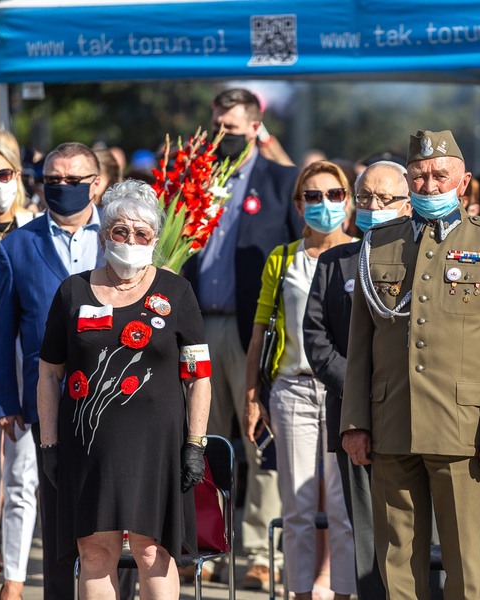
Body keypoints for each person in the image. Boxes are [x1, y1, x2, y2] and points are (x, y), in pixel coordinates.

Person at [341, 129, 480, 600]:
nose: (429, 185)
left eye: (440, 176)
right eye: (419, 176)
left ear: (463, 181)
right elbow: (360, 342)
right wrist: (356, 421)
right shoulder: (377, 242)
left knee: (464, 563)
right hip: (391, 421)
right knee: (397, 560)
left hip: (461, 425)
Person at [37, 179, 211, 598]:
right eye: (120, 231)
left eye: (141, 233)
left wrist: (195, 444)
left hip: (158, 447)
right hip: (88, 445)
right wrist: (49, 445)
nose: (130, 240)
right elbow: (48, 374)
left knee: (153, 551)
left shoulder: (177, 292)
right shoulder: (72, 291)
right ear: (103, 237)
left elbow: (199, 377)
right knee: (96, 551)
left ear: (154, 240)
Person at [182, 87, 302, 588]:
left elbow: (299, 254)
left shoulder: (281, 181)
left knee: (260, 441)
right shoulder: (195, 178)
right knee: (200, 441)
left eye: (230, 128)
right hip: (196, 327)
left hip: (253, 331)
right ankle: (204, 546)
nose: (221, 136)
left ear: (256, 127)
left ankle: (258, 553)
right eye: (216, 126)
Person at [0, 142, 104, 600]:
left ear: (96, 184)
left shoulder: (122, 238)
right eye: (52, 179)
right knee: (57, 513)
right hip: (48, 398)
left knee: (114, 513)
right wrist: (3, 399)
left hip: (116, 394)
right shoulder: (18, 246)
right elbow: (3, 333)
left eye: (73, 180)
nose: (61, 187)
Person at [243, 161, 356, 600]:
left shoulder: (361, 253)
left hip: (344, 389)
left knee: (344, 507)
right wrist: (252, 396)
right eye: (313, 195)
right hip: (293, 389)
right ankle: (302, 593)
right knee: (297, 508)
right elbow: (260, 331)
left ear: (347, 201)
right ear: (297, 204)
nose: (324, 203)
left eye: (334, 194)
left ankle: (342, 592)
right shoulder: (283, 258)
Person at [302, 160, 411, 599]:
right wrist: (360, 389)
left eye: (384, 199)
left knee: (413, 527)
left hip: (410, 411)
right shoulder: (335, 262)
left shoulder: (420, 259)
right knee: (364, 530)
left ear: (407, 205)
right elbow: (316, 338)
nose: (372, 206)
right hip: (353, 412)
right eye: (365, 197)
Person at [0, 142, 36, 600]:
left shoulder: (36, 230)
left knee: (22, 478)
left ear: (17, 176)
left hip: (27, 360)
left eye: (3, 174)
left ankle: (15, 581)